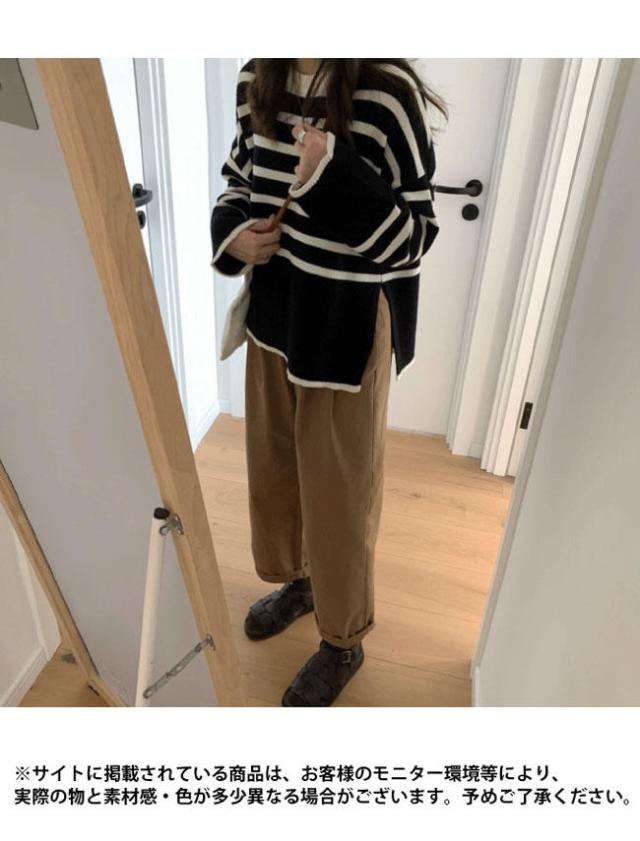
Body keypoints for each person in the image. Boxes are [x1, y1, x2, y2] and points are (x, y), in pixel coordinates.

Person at [210, 58, 445, 706]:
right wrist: (233, 233)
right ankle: (302, 583)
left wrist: (329, 174)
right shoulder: (256, 78)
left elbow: (414, 240)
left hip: (345, 329)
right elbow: (237, 177)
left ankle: (344, 639)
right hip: (273, 317)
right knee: (277, 473)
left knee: (340, 495)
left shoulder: (388, 95)